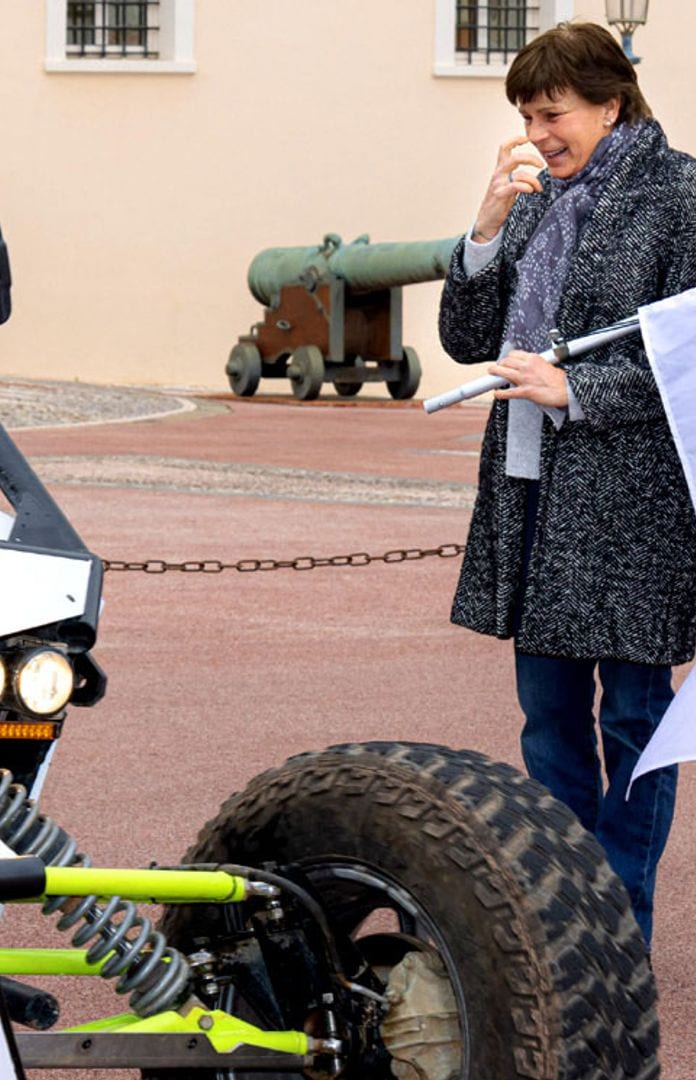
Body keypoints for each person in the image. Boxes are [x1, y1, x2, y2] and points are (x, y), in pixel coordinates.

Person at [438, 21, 696, 946]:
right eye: (525, 116)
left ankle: (618, 920)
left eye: (552, 115)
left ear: (609, 102)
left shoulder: (680, 196)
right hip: (533, 485)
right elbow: (470, 338)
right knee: (547, 721)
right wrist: (485, 230)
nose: (538, 135)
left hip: (635, 505)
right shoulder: (542, 202)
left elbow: (692, 358)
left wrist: (577, 386)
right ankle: (559, 910)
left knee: (634, 720)